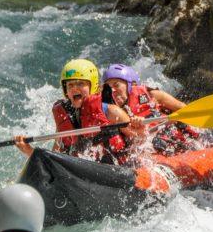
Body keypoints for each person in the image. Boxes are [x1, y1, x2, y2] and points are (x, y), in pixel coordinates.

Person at [15, 59, 144, 165]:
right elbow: (55, 160)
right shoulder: (65, 116)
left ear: (93, 86)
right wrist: (29, 151)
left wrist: (140, 126)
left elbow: (140, 141)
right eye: (70, 85)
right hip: (84, 172)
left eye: (80, 84)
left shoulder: (111, 112)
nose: (74, 88)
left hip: (116, 170)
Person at [101, 64, 200, 155]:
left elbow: (185, 110)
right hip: (145, 149)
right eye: (108, 88)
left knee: (158, 141)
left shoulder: (153, 95)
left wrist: (170, 120)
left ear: (132, 85)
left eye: (116, 85)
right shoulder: (110, 111)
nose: (112, 90)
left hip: (171, 138)